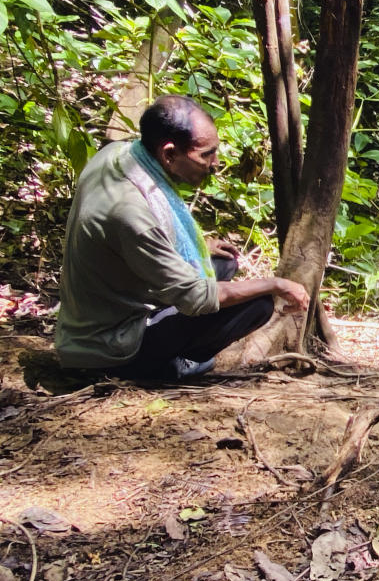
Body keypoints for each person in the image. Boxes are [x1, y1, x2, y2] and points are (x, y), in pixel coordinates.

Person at [55, 95, 308, 380]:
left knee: (223, 263)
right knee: (258, 305)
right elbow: (197, 297)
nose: (215, 163)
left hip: (106, 306)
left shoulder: (118, 155)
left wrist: (204, 246)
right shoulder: (131, 213)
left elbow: (136, 241)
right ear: (169, 154)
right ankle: (165, 366)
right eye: (205, 155)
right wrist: (275, 284)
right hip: (107, 347)